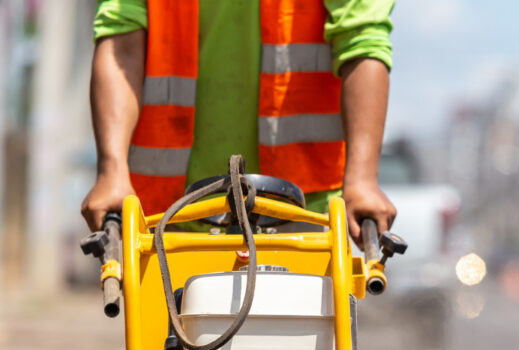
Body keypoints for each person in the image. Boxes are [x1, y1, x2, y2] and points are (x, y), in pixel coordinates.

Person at [82, 0, 396, 242]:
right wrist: (112, 172)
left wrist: (362, 181)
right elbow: (121, 45)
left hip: (303, 215)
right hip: (172, 217)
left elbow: (363, 41)